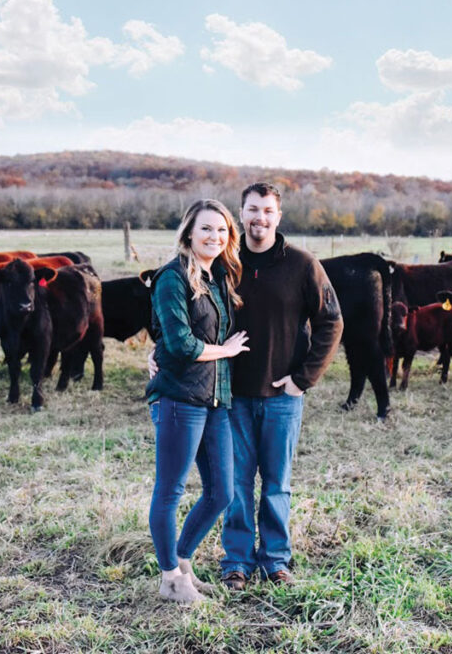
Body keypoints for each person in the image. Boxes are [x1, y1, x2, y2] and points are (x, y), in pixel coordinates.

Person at [219, 182, 343, 590]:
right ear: (241, 213)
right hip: (232, 395)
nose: (260, 218)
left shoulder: (303, 265)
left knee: (276, 484)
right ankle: (236, 560)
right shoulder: (224, 263)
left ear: (279, 215)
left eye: (268, 211)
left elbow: (332, 321)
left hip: (282, 398)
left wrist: (303, 379)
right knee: (235, 484)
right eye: (253, 210)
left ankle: (275, 560)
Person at [146, 199, 250, 603]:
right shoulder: (172, 277)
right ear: (189, 231)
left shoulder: (219, 276)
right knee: (169, 491)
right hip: (179, 397)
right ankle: (170, 579)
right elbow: (181, 342)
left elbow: (166, 334)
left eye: (222, 230)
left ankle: (183, 564)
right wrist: (224, 350)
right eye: (207, 229)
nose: (215, 237)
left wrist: (158, 346)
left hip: (216, 398)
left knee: (221, 491)